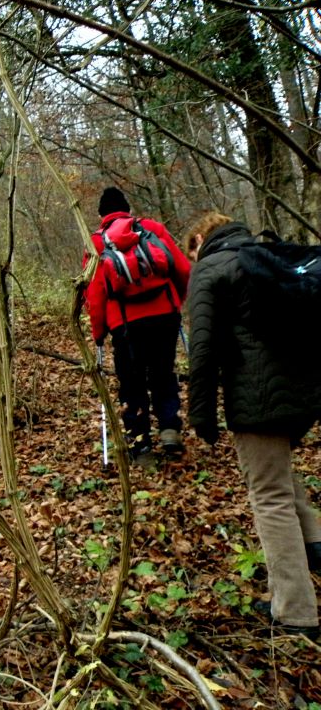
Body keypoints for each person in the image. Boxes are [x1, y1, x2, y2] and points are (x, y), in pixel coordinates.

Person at [186, 211, 321, 640]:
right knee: (278, 479)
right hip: (302, 393)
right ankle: (315, 542)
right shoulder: (265, 254)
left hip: (258, 399)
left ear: (198, 240)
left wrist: (200, 413)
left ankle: (296, 613)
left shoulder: (211, 266)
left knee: (269, 496)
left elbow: (202, 349)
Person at [84, 187, 192, 461]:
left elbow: (95, 295)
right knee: (163, 373)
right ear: (127, 209)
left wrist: (98, 333)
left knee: (132, 382)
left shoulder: (96, 243)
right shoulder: (151, 228)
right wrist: (176, 302)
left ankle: (141, 442)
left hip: (126, 325)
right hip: (165, 316)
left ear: (101, 215)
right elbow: (182, 268)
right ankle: (169, 429)